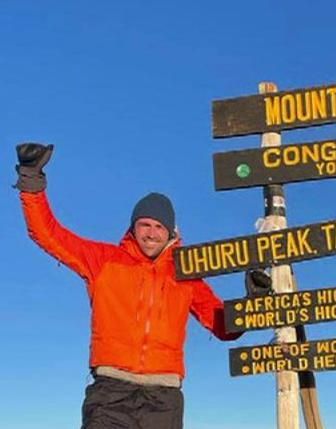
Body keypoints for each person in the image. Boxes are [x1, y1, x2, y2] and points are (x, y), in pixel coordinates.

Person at [15, 144, 243, 429]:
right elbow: (48, 234)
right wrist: (31, 178)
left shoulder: (185, 274)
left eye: (159, 227)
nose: (151, 233)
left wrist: (253, 301)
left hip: (164, 398)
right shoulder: (104, 260)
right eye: (145, 224)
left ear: (171, 232)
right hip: (111, 392)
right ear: (133, 228)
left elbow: (223, 326)